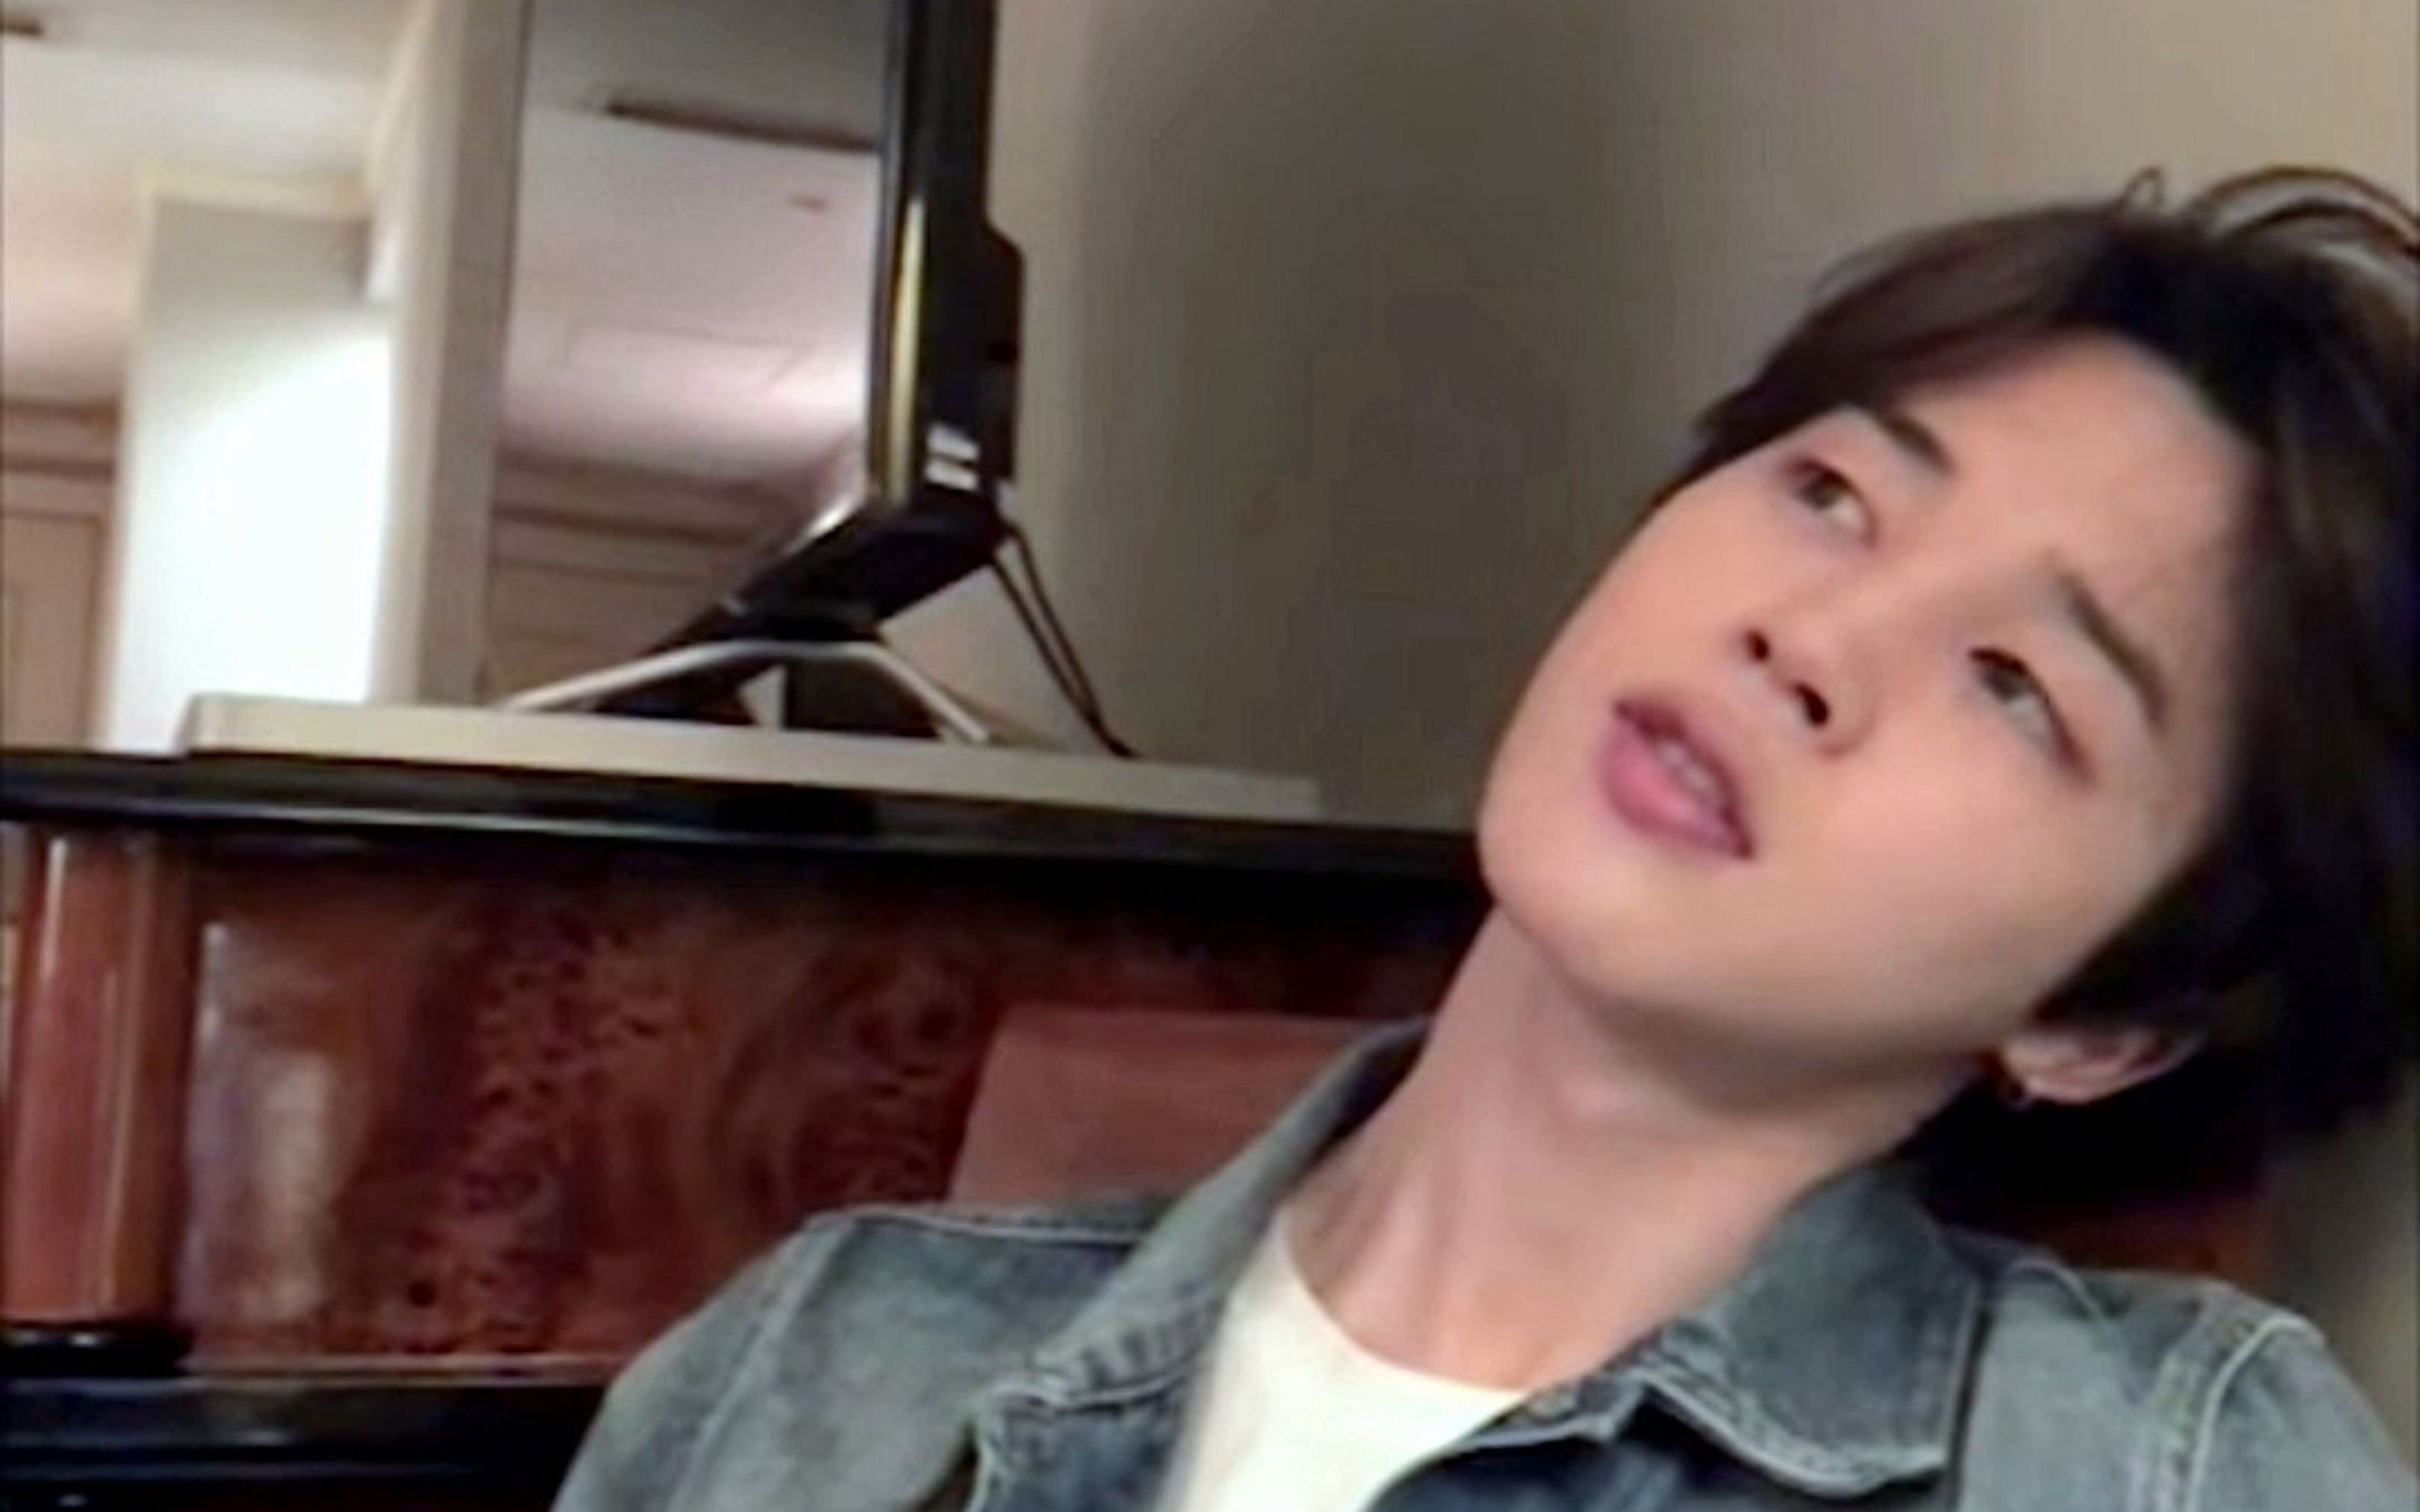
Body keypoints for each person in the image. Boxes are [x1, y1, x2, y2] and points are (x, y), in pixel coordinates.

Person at [554, 167, 2418, 1511]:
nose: (1813, 637)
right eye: (1830, 490)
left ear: (2107, 1021)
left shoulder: (2159, 1458)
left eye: (2015, 681)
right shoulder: (829, 1352)